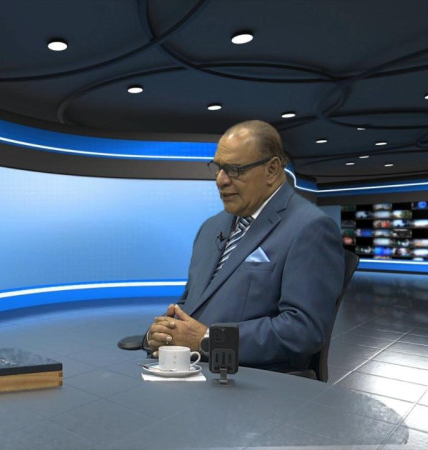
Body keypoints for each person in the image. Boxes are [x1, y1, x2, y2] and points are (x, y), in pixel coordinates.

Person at [147, 120, 344, 372]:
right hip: (193, 369)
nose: (220, 180)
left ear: (272, 169)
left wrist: (208, 340)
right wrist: (164, 332)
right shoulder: (211, 227)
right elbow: (191, 303)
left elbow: (303, 330)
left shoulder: (311, 228)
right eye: (218, 168)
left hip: (253, 380)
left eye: (235, 170)